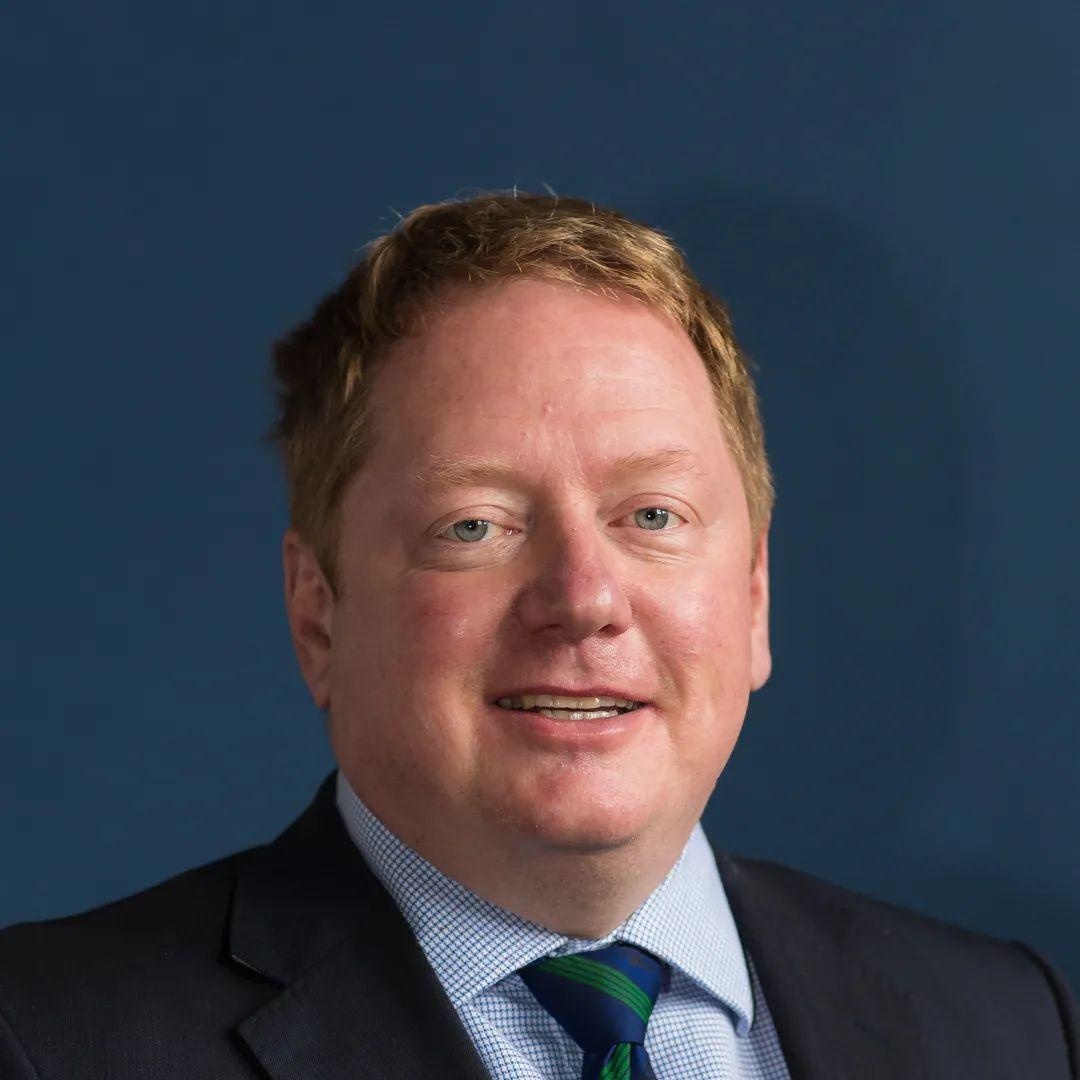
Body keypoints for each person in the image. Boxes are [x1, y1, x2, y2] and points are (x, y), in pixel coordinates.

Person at [0, 192, 1075, 1080]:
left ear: (753, 598)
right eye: (475, 526)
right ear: (317, 612)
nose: (584, 597)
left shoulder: (1011, 1029)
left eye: (652, 515)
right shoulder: (48, 1042)